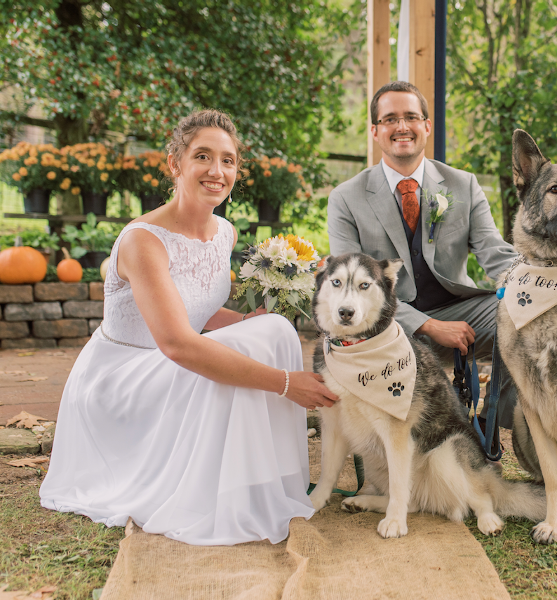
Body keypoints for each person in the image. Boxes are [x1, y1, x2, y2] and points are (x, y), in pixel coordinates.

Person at [39, 109, 338, 546]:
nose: (217, 171)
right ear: (175, 163)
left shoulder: (225, 233)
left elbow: (200, 311)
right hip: (124, 379)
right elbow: (180, 343)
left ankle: (260, 482)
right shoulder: (144, 241)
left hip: (171, 359)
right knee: (249, 350)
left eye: (228, 160)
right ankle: (220, 492)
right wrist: (286, 383)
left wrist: (246, 321)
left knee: (273, 329)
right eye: (203, 156)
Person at [327, 81, 518, 428]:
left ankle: (491, 423)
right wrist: (428, 325)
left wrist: (541, 285)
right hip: (384, 324)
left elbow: (494, 251)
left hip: (461, 309)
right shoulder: (346, 197)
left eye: (411, 117)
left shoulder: (463, 184)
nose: (402, 127)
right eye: (390, 119)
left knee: (521, 313)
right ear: (375, 131)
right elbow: (352, 290)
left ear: (426, 126)